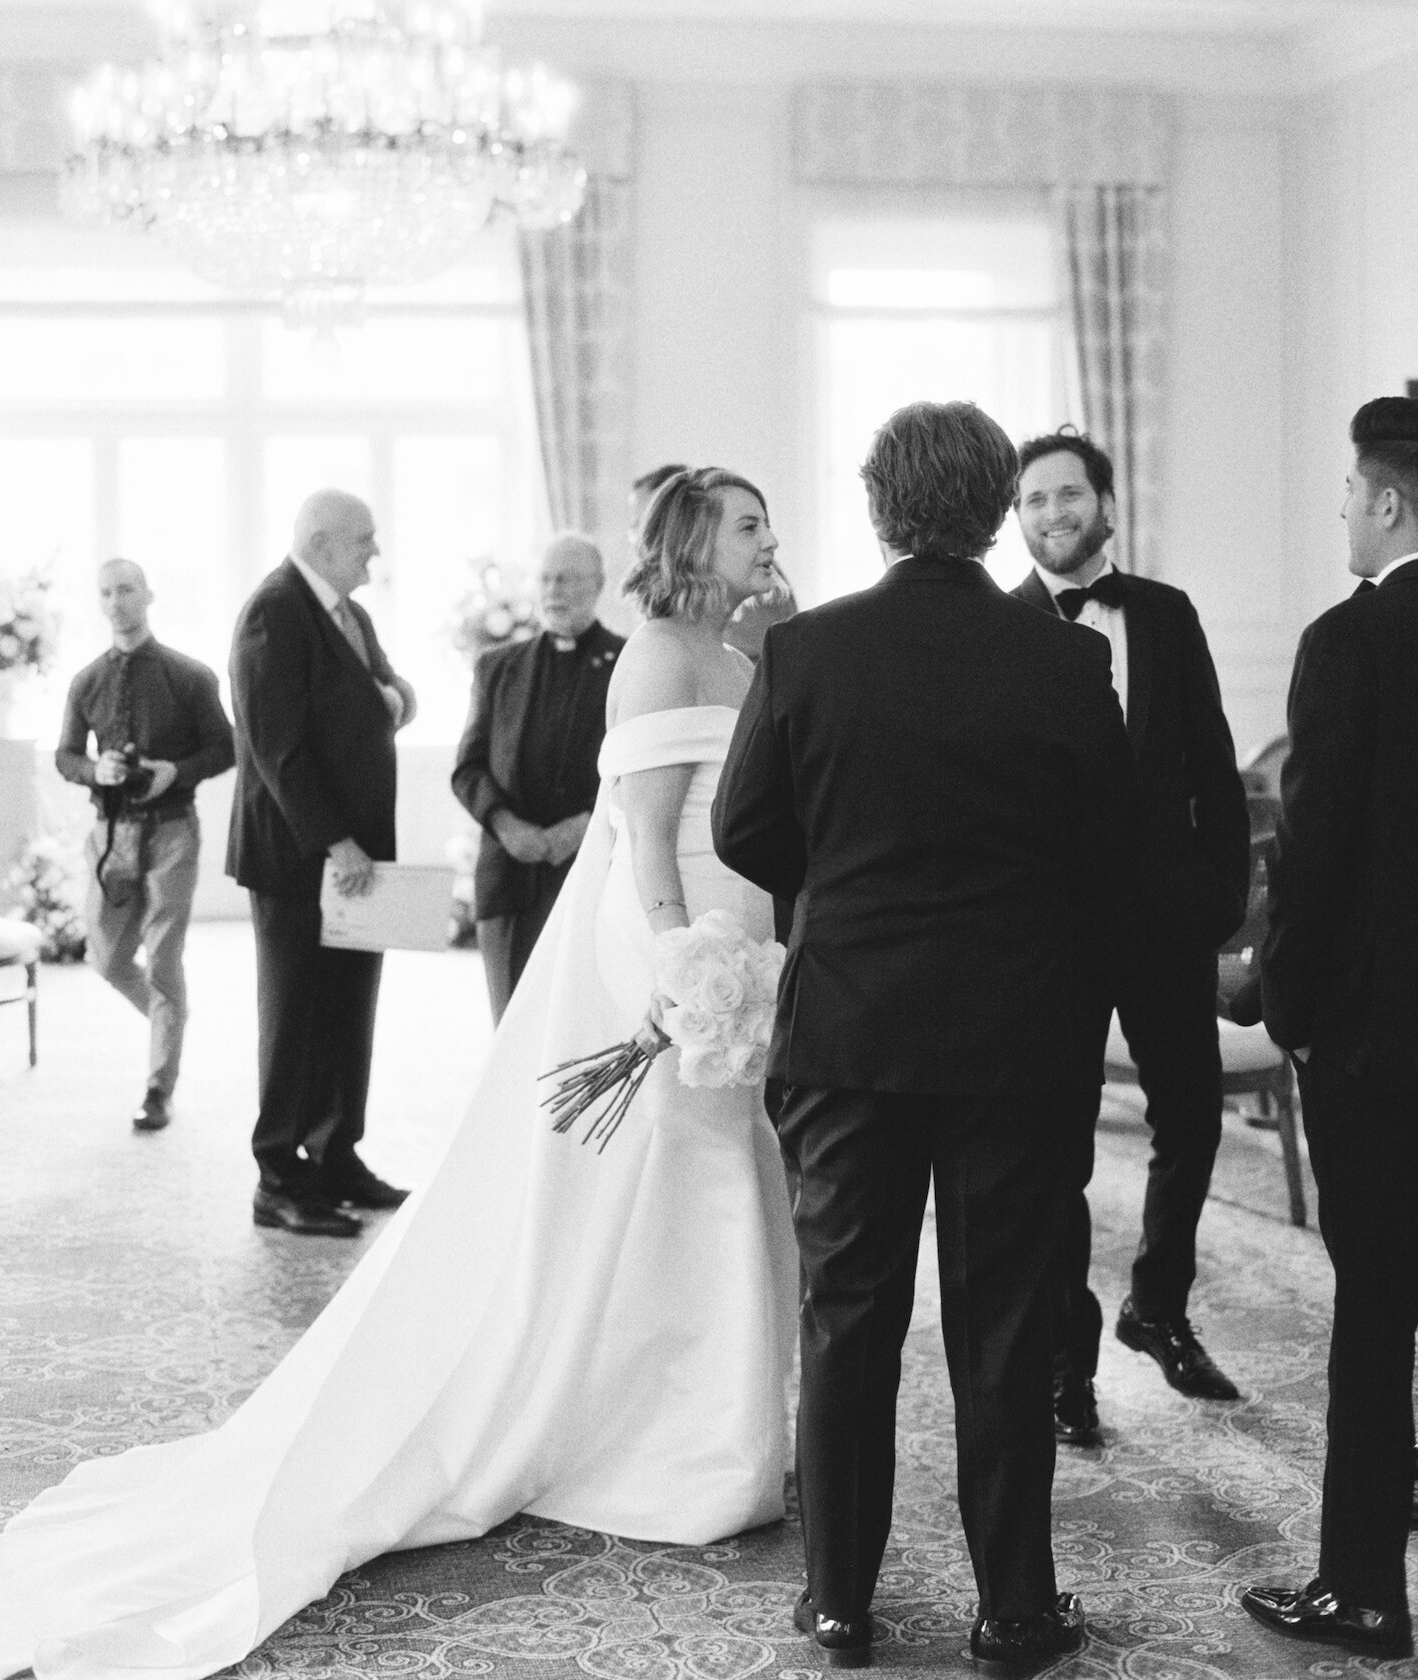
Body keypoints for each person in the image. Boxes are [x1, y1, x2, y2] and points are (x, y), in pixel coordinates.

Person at [0, 466, 797, 1680]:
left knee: (699, 1176)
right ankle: (668, 1430)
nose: (769, 538)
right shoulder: (650, 654)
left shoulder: (738, 645)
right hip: (671, 941)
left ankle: (678, 1419)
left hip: (731, 935)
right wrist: (678, 956)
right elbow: (645, 832)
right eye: (749, 522)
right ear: (697, 536)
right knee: (665, 1172)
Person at [713, 401, 1142, 1675]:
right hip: (1017, 1036)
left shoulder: (807, 653)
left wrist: (842, 879)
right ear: (994, 505)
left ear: (877, 506)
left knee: (845, 1316)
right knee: (1003, 1322)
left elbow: (746, 832)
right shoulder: (1062, 660)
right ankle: (1013, 1610)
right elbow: (1107, 850)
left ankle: (840, 1602)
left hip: (849, 1028)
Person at [1011, 430, 1249, 1444]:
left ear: (1104, 504)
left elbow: (1212, 761)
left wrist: (1219, 906)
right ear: (1014, 518)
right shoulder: (1000, 625)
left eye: (1069, 493)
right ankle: (1068, 1364)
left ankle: (1156, 1300)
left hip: (1162, 920)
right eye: (1033, 500)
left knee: (1189, 1117)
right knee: (1053, 1153)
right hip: (1051, 933)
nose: (1053, 512)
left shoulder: (1163, 611)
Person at [1240, 396, 1418, 1661]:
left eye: (1349, 495)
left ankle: (1361, 1583)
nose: (1343, 516)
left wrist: (1279, 1005)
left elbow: (1308, 857)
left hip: (1378, 1036)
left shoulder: (1350, 639)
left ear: (1388, 501)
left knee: (1375, 1305)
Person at [226, 489, 417, 1238]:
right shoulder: (274, 611)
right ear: (322, 540)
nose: (374, 553)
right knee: (295, 1016)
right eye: (364, 540)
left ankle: (337, 1154)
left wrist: (401, 696)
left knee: (348, 1010)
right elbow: (276, 746)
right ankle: (278, 1174)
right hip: (302, 857)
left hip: (359, 853)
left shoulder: (349, 611)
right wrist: (334, 839)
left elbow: (387, 693)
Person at [55, 558, 235, 1132]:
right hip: (109, 837)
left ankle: (159, 1086)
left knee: (162, 958)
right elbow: (65, 755)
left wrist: (173, 772)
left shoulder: (191, 676)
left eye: (126, 589)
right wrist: (94, 770)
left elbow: (226, 749)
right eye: (105, 592)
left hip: (173, 831)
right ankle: (171, 1014)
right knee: (106, 959)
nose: (116, 602)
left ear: (149, 595)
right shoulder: (84, 681)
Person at [452, 532, 623, 1022]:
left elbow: (632, 768)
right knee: (510, 1026)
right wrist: (506, 826)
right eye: (547, 579)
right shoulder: (498, 666)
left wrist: (585, 826)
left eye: (568, 579)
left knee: (578, 1023)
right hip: (509, 872)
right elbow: (468, 768)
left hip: (589, 869)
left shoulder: (627, 663)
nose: (554, 591)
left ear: (598, 586)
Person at [629, 460, 796, 662]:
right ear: (692, 540)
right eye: (749, 528)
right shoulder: (663, 650)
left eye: (764, 526)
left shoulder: (736, 659)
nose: (772, 541)